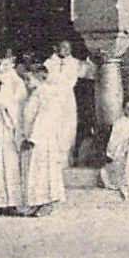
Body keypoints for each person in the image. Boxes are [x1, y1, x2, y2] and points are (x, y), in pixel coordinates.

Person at [17, 63, 66, 217]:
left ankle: (48, 202)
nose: (26, 83)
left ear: (39, 78)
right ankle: (36, 201)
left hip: (44, 139)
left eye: (28, 79)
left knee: (45, 170)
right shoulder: (34, 94)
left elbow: (45, 117)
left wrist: (33, 138)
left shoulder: (47, 94)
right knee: (35, 171)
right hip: (34, 137)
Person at [0, 49, 26, 212]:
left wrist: (7, 106)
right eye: (1, 63)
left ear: (14, 64)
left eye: (7, 63)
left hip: (8, 124)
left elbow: (20, 103)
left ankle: (11, 201)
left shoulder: (18, 82)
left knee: (9, 160)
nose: (3, 66)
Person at [43, 39, 86, 167]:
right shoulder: (49, 63)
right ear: (56, 48)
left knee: (68, 126)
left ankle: (66, 159)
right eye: (62, 47)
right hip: (52, 97)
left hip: (67, 98)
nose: (65, 50)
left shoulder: (75, 63)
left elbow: (85, 73)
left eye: (68, 48)